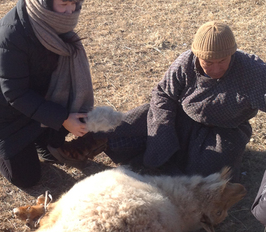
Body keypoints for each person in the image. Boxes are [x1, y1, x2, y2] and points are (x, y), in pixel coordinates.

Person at [63, 21, 266, 182]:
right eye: (208, 62)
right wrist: (162, 132)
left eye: (222, 61)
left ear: (232, 53)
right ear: (197, 55)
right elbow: (163, 95)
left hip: (223, 131)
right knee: (130, 125)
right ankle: (84, 145)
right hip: (182, 117)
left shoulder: (252, 71)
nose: (214, 69)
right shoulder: (186, 61)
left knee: (206, 178)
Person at [0, 0, 105, 188]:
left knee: (52, 153)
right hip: (6, 114)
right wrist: (64, 118)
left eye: (74, 3)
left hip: (39, 102)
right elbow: (15, 94)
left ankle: (38, 137)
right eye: (64, 3)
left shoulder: (52, 21)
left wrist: (66, 113)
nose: (70, 11)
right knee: (27, 177)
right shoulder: (10, 34)